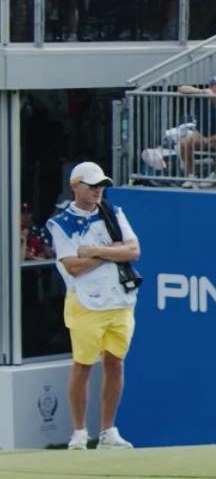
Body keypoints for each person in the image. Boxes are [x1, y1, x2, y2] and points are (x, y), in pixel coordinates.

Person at [47, 162, 141, 450]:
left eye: (101, 186)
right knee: (83, 366)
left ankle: (107, 431)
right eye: (92, 186)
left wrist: (97, 251)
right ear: (76, 186)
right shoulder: (60, 223)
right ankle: (78, 432)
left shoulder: (112, 212)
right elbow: (73, 267)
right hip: (86, 302)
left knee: (116, 364)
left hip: (120, 300)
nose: (98, 191)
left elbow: (134, 250)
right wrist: (113, 253)